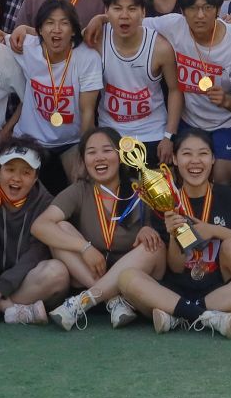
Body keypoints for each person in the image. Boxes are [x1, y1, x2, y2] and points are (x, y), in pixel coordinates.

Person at [115, 129, 231, 337]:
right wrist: (174, 235)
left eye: (203, 153)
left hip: (220, 290)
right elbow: (176, 267)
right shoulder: (164, 201)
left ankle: (179, 314)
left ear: (213, 158)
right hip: (173, 291)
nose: (195, 161)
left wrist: (214, 230)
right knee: (127, 278)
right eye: (187, 154)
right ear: (175, 159)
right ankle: (207, 316)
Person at [33, 127, 167, 330]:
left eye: (107, 150)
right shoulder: (79, 190)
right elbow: (40, 226)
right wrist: (84, 247)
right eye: (91, 152)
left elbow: (161, 228)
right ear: (83, 161)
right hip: (96, 271)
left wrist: (148, 229)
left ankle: (84, 301)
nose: (99, 157)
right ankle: (112, 299)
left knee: (153, 246)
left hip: (136, 276)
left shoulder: (140, 187)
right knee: (59, 228)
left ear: (120, 156)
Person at [150, 0, 231, 184]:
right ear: (182, 11)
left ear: (218, 10)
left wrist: (226, 101)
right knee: (182, 174)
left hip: (228, 123)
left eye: (207, 8)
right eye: (192, 8)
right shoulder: (173, 25)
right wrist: (101, 19)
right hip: (190, 121)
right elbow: (134, 23)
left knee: (222, 176)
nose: (200, 15)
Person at [0, 142, 70, 325]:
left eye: (26, 173)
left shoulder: (47, 205)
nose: (16, 178)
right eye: (10, 170)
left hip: (28, 279)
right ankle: (13, 311)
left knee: (58, 272)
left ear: (36, 177)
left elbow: (36, 255)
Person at [8, 0, 103, 189]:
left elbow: (87, 112)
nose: (56, 29)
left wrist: (84, 155)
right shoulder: (28, 47)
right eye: (49, 23)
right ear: (39, 30)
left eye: (64, 23)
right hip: (29, 138)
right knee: (17, 184)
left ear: (74, 30)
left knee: (83, 183)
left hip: (71, 142)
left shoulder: (87, 57)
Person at [96, 0, 180, 155]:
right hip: (109, 132)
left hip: (153, 132)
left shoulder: (160, 47)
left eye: (132, 9)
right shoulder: (96, 39)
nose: (124, 15)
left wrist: (169, 136)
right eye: (117, 8)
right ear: (106, 11)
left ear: (143, 12)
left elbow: (175, 90)